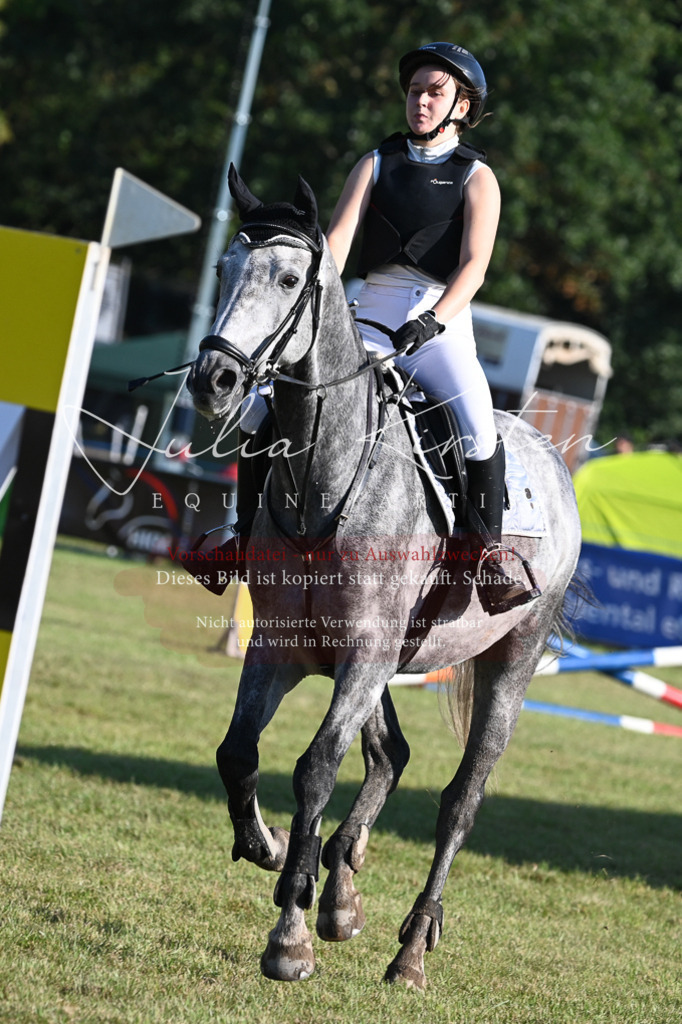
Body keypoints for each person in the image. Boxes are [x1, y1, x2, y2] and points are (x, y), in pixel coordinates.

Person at [326, 41, 538, 614]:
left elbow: (474, 266)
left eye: (435, 92)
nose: (421, 101)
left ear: (462, 107)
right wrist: (316, 303)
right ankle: (239, 535)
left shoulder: (476, 176)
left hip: (439, 318)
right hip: (369, 308)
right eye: (415, 91)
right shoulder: (374, 163)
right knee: (273, 400)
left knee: (479, 427)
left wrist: (432, 322)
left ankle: (487, 558)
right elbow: (339, 244)